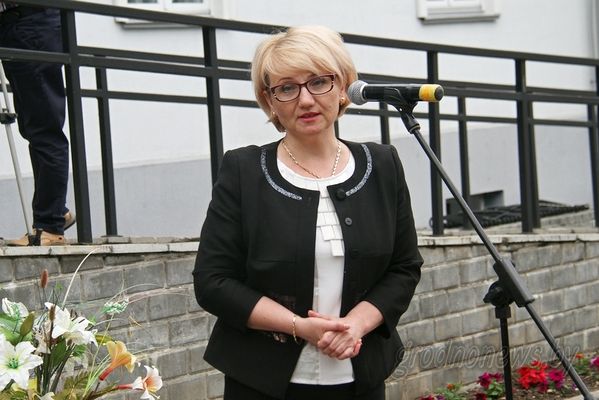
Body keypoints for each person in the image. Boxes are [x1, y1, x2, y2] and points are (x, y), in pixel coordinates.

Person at [193, 25, 423, 400]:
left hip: (359, 381)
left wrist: (356, 325)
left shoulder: (382, 164)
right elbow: (213, 281)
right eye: (286, 88)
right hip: (262, 384)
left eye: (318, 82)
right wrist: (299, 326)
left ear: (343, 86)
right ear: (269, 101)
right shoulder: (244, 171)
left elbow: (404, 267)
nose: (305, 100)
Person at [0, 3, 74, 246]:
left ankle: (50, 227)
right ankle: (55, 212)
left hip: (30, 22)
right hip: (19, 23)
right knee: (33, 126)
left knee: (44, 128)